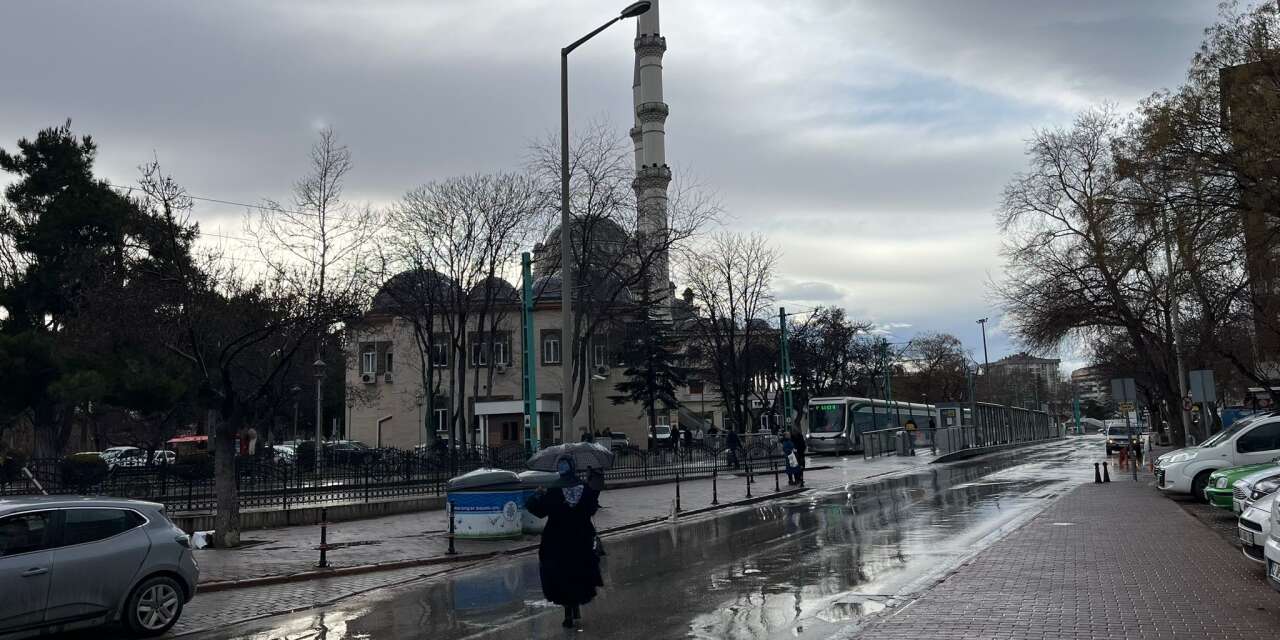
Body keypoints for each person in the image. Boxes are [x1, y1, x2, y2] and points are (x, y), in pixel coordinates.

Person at [525, 456, 604, 629]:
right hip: (580, 539)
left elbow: (538, 510)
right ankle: (574, 607)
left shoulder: (554, 489)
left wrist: (536, 495)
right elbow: (592, 509)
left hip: (557, 540)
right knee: (577, 572)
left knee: (562, 575)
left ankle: (568, 612)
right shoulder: (584, 488)